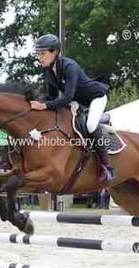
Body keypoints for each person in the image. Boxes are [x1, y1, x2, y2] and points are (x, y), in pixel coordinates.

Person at [29, 34, 114, 184]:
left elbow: (67, 98)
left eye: (42, 53)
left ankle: (107, 168)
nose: (39, 57)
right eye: (38, 54)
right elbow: (51, 96)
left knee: (90, 125)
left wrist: (44, 106)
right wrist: (34, 103)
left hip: (95, 98)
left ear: (55, 52)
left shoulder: (69, 66)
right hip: (78, 101)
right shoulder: (48, 70)